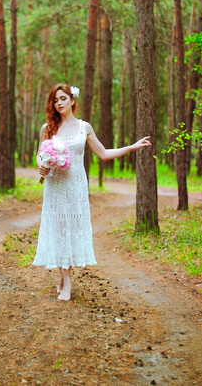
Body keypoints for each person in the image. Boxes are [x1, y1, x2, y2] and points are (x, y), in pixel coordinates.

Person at [32, 83, 151, 301]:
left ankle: (64, 272)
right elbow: (40, 154)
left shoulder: (83, 127)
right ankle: (66, 280)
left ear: (72, 100)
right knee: (58, 230)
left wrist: (132, 147)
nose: (59, 103)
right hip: (55, 187)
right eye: (55, 100)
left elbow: (104, 153)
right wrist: (42, 164)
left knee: (72, 230)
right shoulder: (47, 128)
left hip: (76, 187)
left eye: (63, 98)